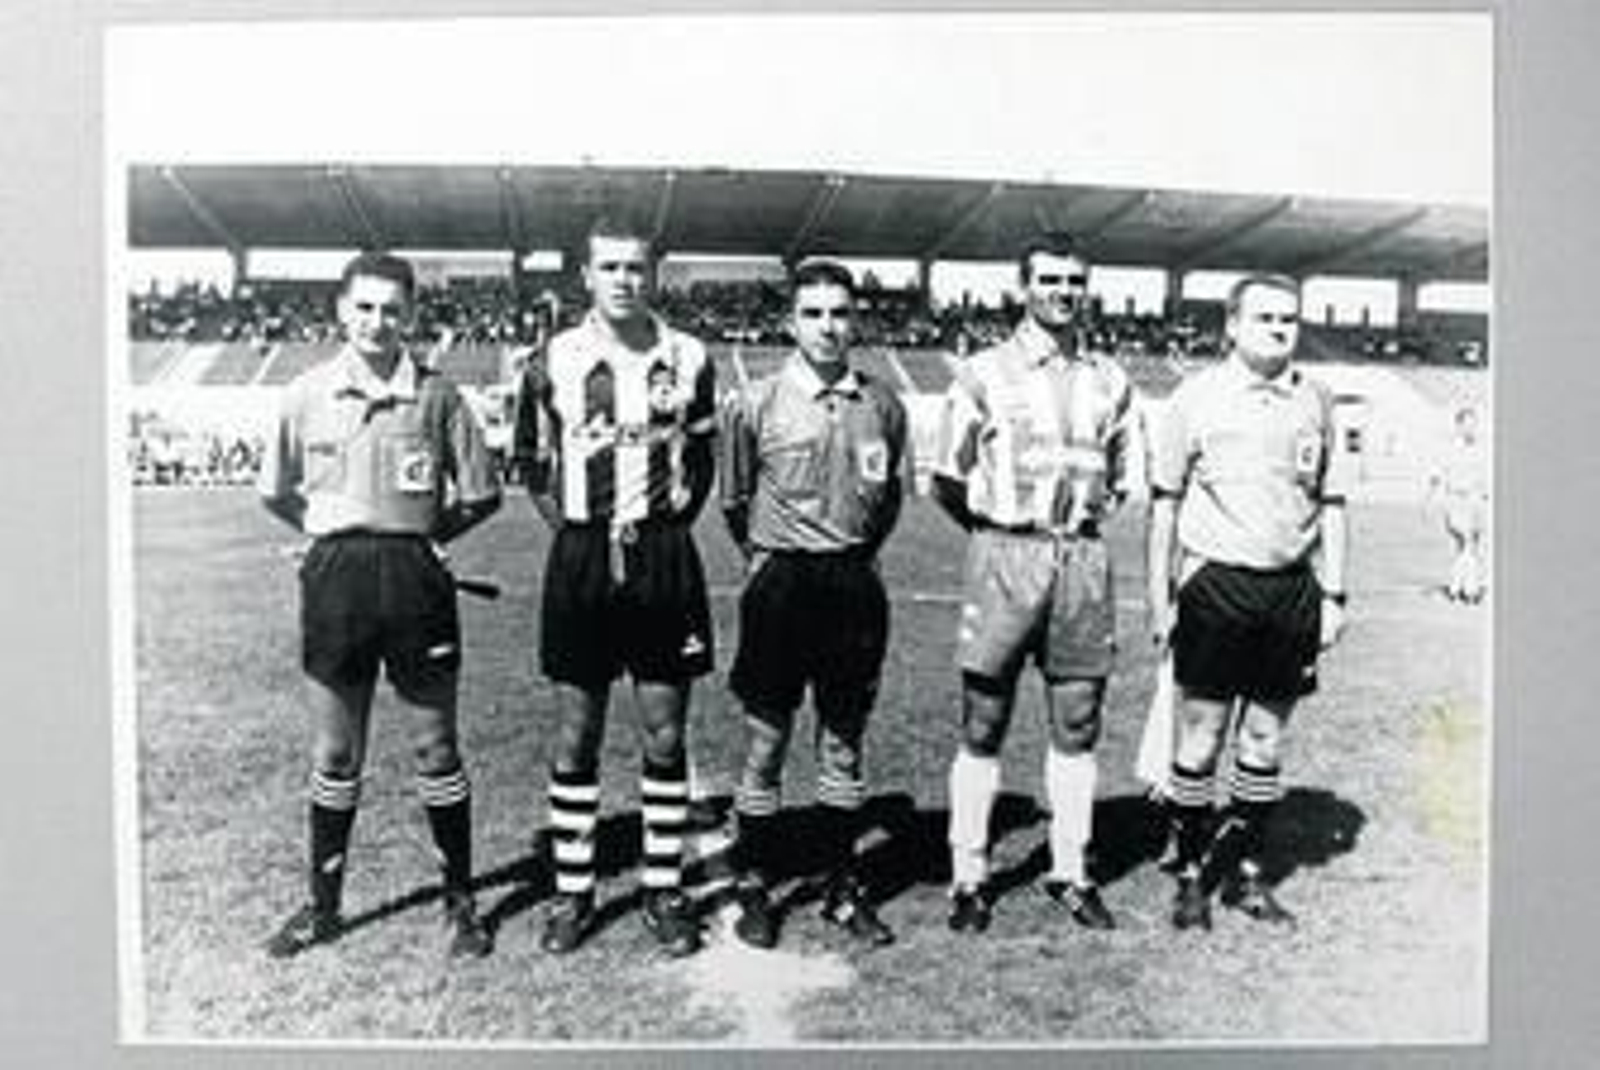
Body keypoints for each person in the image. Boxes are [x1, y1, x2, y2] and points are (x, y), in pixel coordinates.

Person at [258, 251, 502, 959]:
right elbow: (275, 492)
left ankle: (461, 902)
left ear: (411, 317)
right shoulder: (304, 393)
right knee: (336, 753)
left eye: (392, 309)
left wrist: (422, 538)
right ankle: (323, 905)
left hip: (415, 581)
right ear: (341, 310)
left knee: (436, 746)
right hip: (335, 576)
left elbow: (482, 493)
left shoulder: (438, 396)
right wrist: (329, 535)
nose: (377, 321)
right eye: (364, 307)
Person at [511, 216, 717, 958]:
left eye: (637, 267)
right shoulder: (552, 360)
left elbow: (703, 459)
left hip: (664, 557)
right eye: (611, 267)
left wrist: (662, 527)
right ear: (586, 275)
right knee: (578, 735)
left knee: (665, 734)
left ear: (653, 274)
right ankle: (574, 894)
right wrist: (577, 533)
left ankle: (662, 889)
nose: (625, 279)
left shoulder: (689, 355)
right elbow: (532, 465)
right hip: (583, 558)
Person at [931, 232, 1134, 934]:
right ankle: (968, 874)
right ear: (1024, 286)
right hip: (1004, 553)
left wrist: (1062, 537)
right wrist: (1000, 539)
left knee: (1078, 721)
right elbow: (947, 481)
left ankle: (1071, 870)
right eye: (1049, 280)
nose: (1062, 292)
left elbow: (1121, 482)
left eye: (1074, 281)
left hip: (1080, 559)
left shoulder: (1112, 379)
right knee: (983, 720)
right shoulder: (982, 372)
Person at [1145, 273, 1349, 931]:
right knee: (1201, 738)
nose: (1280, 329)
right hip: (1217, 588)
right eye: (1264, 318)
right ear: (1231, 325)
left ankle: (1250, 875)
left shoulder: (1317, 399)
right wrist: (1159, 596)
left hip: (1291, 589)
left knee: (1264, 738)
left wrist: (1336, 593)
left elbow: (1334, 503)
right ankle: (1191, 872)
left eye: (1289, 318)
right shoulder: (1194, 398)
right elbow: (1165, 506)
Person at [718, 260, 910, 950]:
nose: (829, 326)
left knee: (843, 741)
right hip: (781, 586)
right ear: (790, 321)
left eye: (840, 312)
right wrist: (773, 557)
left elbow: (886, 503)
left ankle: (840, 886)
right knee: (766, 742)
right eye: (814, 313)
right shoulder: (756, 402)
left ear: (855, 318)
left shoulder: (883, 404)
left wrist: (848, 553)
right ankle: (758, 887)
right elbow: (735, 501)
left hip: (854, 585)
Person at [1430, 405, 1488, 603]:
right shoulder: (1449, 449)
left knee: (1467, 547)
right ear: (1459, 425)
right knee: (1467, 544)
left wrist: (1483, 494)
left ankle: (1457, 588)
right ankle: (1470, 590)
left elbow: (1485, 476)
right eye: (1467, 424)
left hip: (1474, 501)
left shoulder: (1480, 449)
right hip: (1456, 500)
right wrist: (1435, 498)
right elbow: (1437, 475)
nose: (1471, 428)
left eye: (1474, 424)